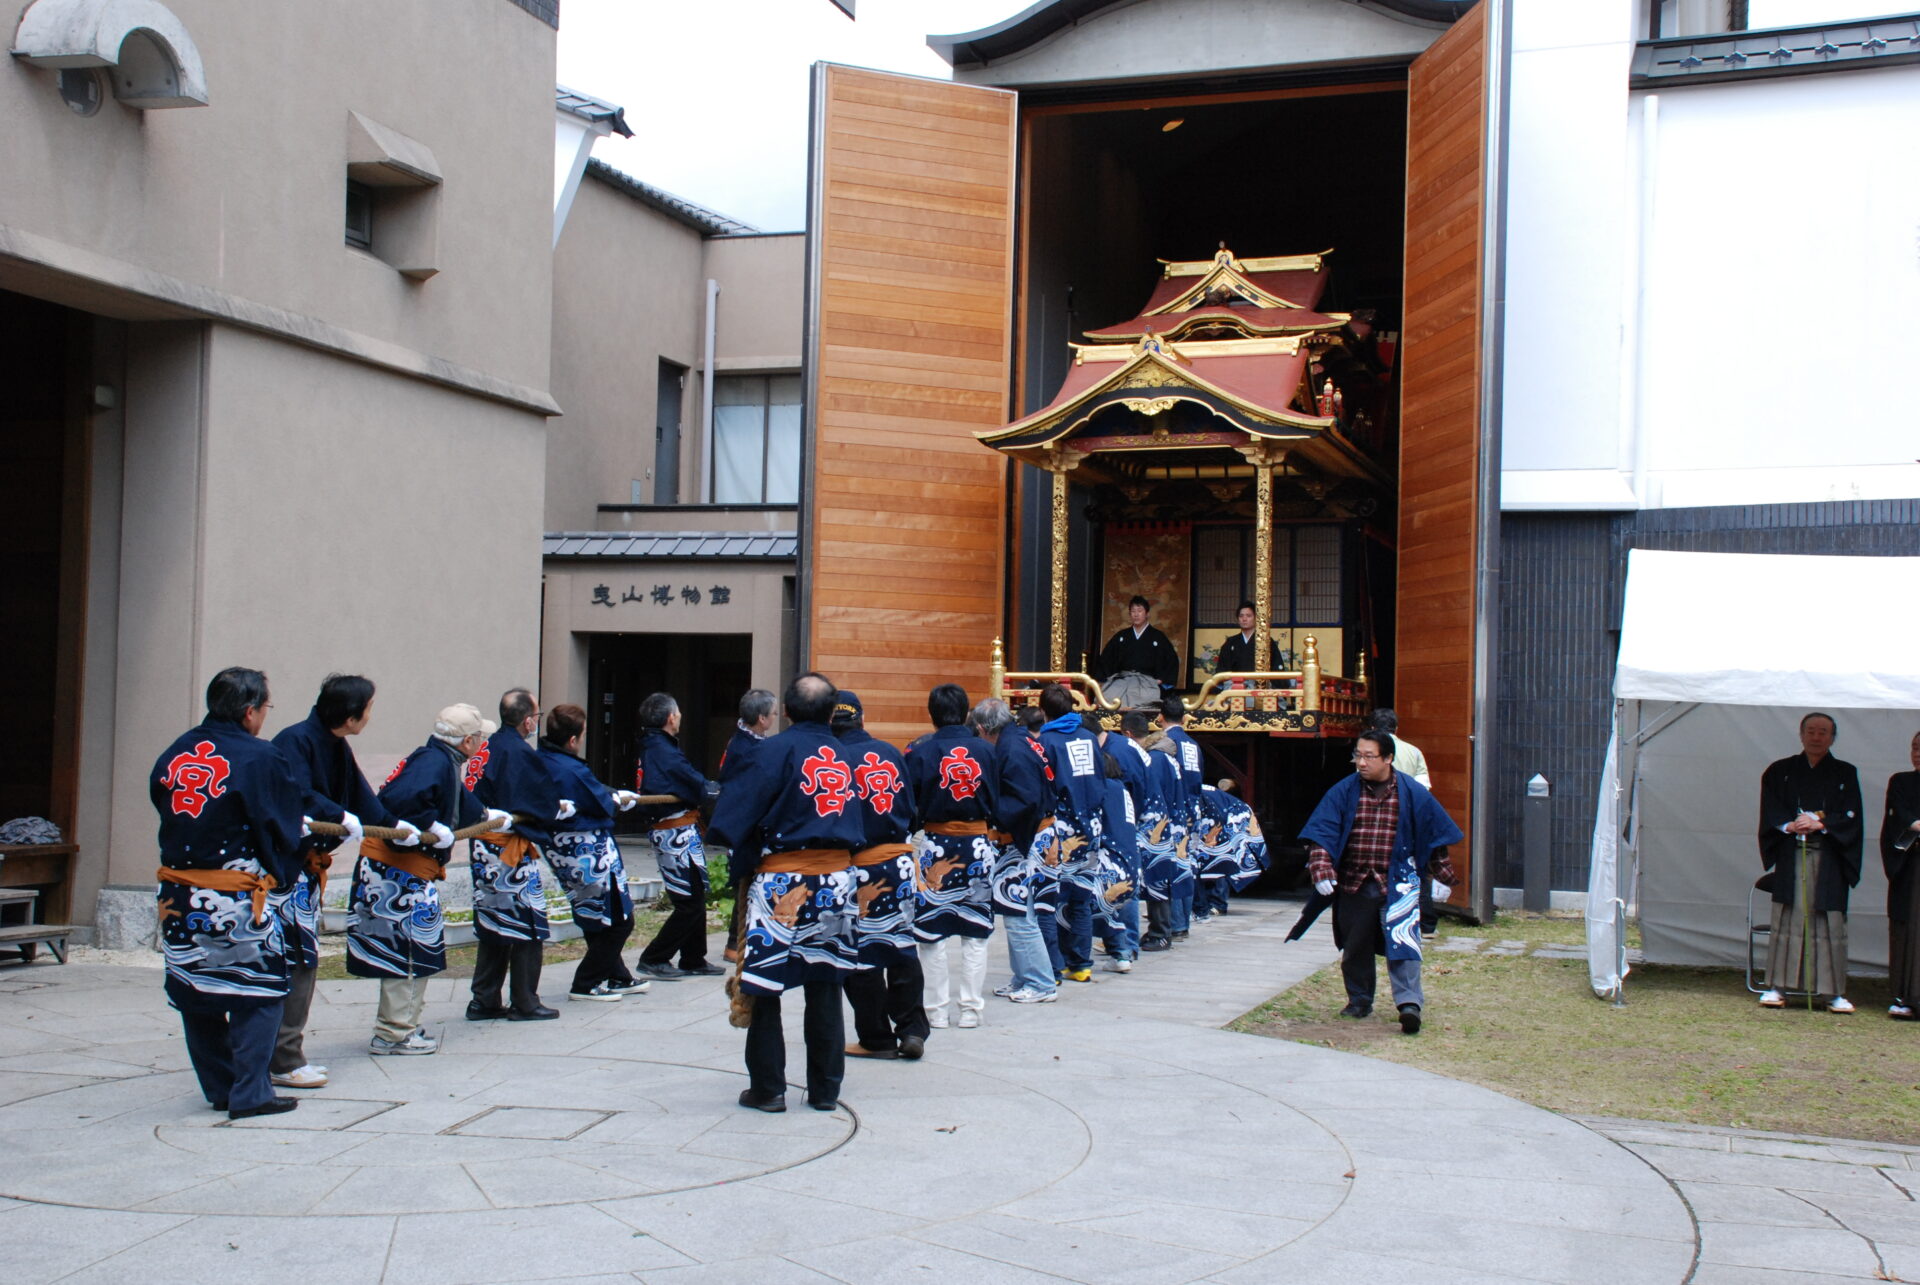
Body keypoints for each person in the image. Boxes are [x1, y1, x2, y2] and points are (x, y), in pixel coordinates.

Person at [707, 672, 869, 1112]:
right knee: (825, 983)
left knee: (763, 984)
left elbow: (731, 818)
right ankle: (825, 1091)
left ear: (789, 711)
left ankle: (769, 1088)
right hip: (836, 880)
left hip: (784, 881)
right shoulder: (849, 755)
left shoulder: (772, 751)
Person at [151, 666, 308, 1119]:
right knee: (258, 991)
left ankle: (220, 1087)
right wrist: (287, 865)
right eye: (265, 707)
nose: (265, 716)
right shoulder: (260, 757)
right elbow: (280, 824)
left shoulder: (175, 752)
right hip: (235, 894)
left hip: (177, 893)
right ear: (248, 711)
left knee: (194, 990)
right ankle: (250, 1092)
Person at [268, 673, 406, 1090]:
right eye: (367, 708)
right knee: (296, 962)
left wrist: (394, 825)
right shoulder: (294, 741)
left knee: (300, 961)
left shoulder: (333, 744)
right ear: (350, 715)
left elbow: (360, 798)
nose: (369, 715)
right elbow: (298, 794)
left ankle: (283, 1054)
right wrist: (336, 814)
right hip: (282, 875)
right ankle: (283, 1058)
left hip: (304, 874)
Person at [349, 703, 504, 1055]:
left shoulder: (436, 758)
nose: (481, 742)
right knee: (406, 951)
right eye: (479, 737)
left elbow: (455, 800)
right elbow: (399, 800)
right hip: (397, 873)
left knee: (414, 948)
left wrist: (483, 814)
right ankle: (394, 1032)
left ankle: (401, 1025)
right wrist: (427, 825)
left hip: (400, 871)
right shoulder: (434, 762)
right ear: (467, 741)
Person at [1301, 729, 1462, 1035]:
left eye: (1369, 756)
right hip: (1355, 881)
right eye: (1357, 755)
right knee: (1355, 944)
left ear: (1388, 758)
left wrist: (1443, 876)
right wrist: (1321, 870)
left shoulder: (1413, 792)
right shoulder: (1343, 791)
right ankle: (1359, 1000)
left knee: (1404, 943)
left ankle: (1409, 1004)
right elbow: (1322, 833)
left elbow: (1434, 835)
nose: (1361, 762)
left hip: (1398, 882)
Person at [833, 691, 929, 1061]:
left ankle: (876, 1037)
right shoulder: (890, 752)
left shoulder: (833, 758)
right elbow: (912, 809)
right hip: (900, 862)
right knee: (902, 946)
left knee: (860, 953)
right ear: (860, 718)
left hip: (858, 865)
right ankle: (911, 1028)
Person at [468, 688, 573, 1022]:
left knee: (493, 923)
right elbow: (532, 798)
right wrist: (557, 808)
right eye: (536, 718)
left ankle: (483, 999)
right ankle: (525, 1001)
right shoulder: (518, 752)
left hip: (482, 845)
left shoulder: (488, 745)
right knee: (528, 924)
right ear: (528, 720)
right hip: (507, 849)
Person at [536, 703, 648, 1002]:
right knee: (618, 919)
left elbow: (595, 790)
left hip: (565, 852)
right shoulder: (569, 768)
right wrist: (617, 799)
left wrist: (613, 795)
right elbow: (599, 800)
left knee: (595, 916)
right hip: (588, 853)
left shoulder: (543, 760)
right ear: (573, 740)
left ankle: (616, 975)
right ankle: (586, 982)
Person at [907, 684, 999, 1028]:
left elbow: (909, 807)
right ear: (966, 714)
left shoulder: (920, 753)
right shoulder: (987, 751)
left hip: (935, 846)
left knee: (931, 933)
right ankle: (971, 1010)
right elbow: (998, 800)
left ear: (932, 715)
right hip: (977, 844)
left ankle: (936, 1011)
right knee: (975, 932)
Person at [1757, 713, 1863, 1012]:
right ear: (1801, 734)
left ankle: (1833, 992)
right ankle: (1778, 986)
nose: (1817, 737)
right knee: (1789, 917)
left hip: (1830, 856)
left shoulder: (1845, 772)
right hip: (1793, 853)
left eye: (1824, 732)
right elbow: (1771, 808)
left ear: (1833, 737)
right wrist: (1789, 825)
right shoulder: (1781, 771)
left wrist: (1821, 823)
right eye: (1811, 731)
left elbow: (1852, 814)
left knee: (1827, 920)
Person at [633, 692, 725, 979]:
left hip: (680, 829)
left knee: (694, 894)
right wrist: (708, 789)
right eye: (679, 713)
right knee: (689, 901)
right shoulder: (661, 750)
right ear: (670, 717)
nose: (681, 717)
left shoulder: (657, 746)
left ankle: (693, 958)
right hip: (672, 831)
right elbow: (687, 782)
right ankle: (654, 957)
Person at [979, 699, 1056, 1003]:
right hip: (1038, 831)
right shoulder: (1022, 739)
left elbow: (1024, 800)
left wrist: (989, 811)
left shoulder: (1012, 748)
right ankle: (1024, 976)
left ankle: (1040, 982)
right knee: (1016, 910)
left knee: (1018, 912)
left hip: (1027, 836)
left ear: (984, 729)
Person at [1034, 686, 1108, 985]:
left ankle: (1054, 965)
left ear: (1044, 711)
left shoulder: (1047, 741)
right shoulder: (1089, 738)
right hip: (1091, 825)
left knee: (1049, 897)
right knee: (1081, 895)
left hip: (1061, 826)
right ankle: (1081, 963)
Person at [720, 689, 777, 962]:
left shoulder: (746, 741)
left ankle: (739, 941)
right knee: (747, 881)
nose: (775, 718)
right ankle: (735, 944)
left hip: (747, 824)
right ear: (762, 718)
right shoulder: (745, 748)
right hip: (744, 825)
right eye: (773, 714)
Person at [1158, 699, 1206, 931]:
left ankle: (1176, 923)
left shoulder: (1167, 743)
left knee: (1173, 865)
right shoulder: (1192, 743)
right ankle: (1183, 921)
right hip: (1193, 806)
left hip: (1175, 808)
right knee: (1188, 862)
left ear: (1161, 716)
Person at [1882, 731, 1920, 1020]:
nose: (1917, 753)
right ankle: (1906, 996)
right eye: (1915, 747)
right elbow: (1905, 820)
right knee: (1908, 928)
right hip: (1912, 867)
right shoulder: (1901, 782)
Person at [1096, 595, 1181, 693]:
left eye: (1139, 611)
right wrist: (1108, 679)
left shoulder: (1158, 637)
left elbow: (1171, 660)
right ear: (1130, 614)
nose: (1136, 614)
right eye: (1133, 611)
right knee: (1109, 697)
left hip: (1149, 683)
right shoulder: (1121, 636)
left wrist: (1161, 679)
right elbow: (1106, 658)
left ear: (1147, 614)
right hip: (1123, 682)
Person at [1216, 602, 1281, 675]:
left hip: (1260, 684)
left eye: (1248, 616)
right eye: (1241, 616)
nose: (1244, 619)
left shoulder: (1265, 641)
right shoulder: (1231, 642)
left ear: (1256, 618)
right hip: (1235, 684)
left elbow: (1276, 665)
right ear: (1238, 619)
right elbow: (1222, 668)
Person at [1372, 708, 1430, 787]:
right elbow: (1423, 786)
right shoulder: (1415, 751)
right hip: (1407, 798)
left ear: (1373, 729)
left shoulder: (1365, 751)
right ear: (1396, 729)